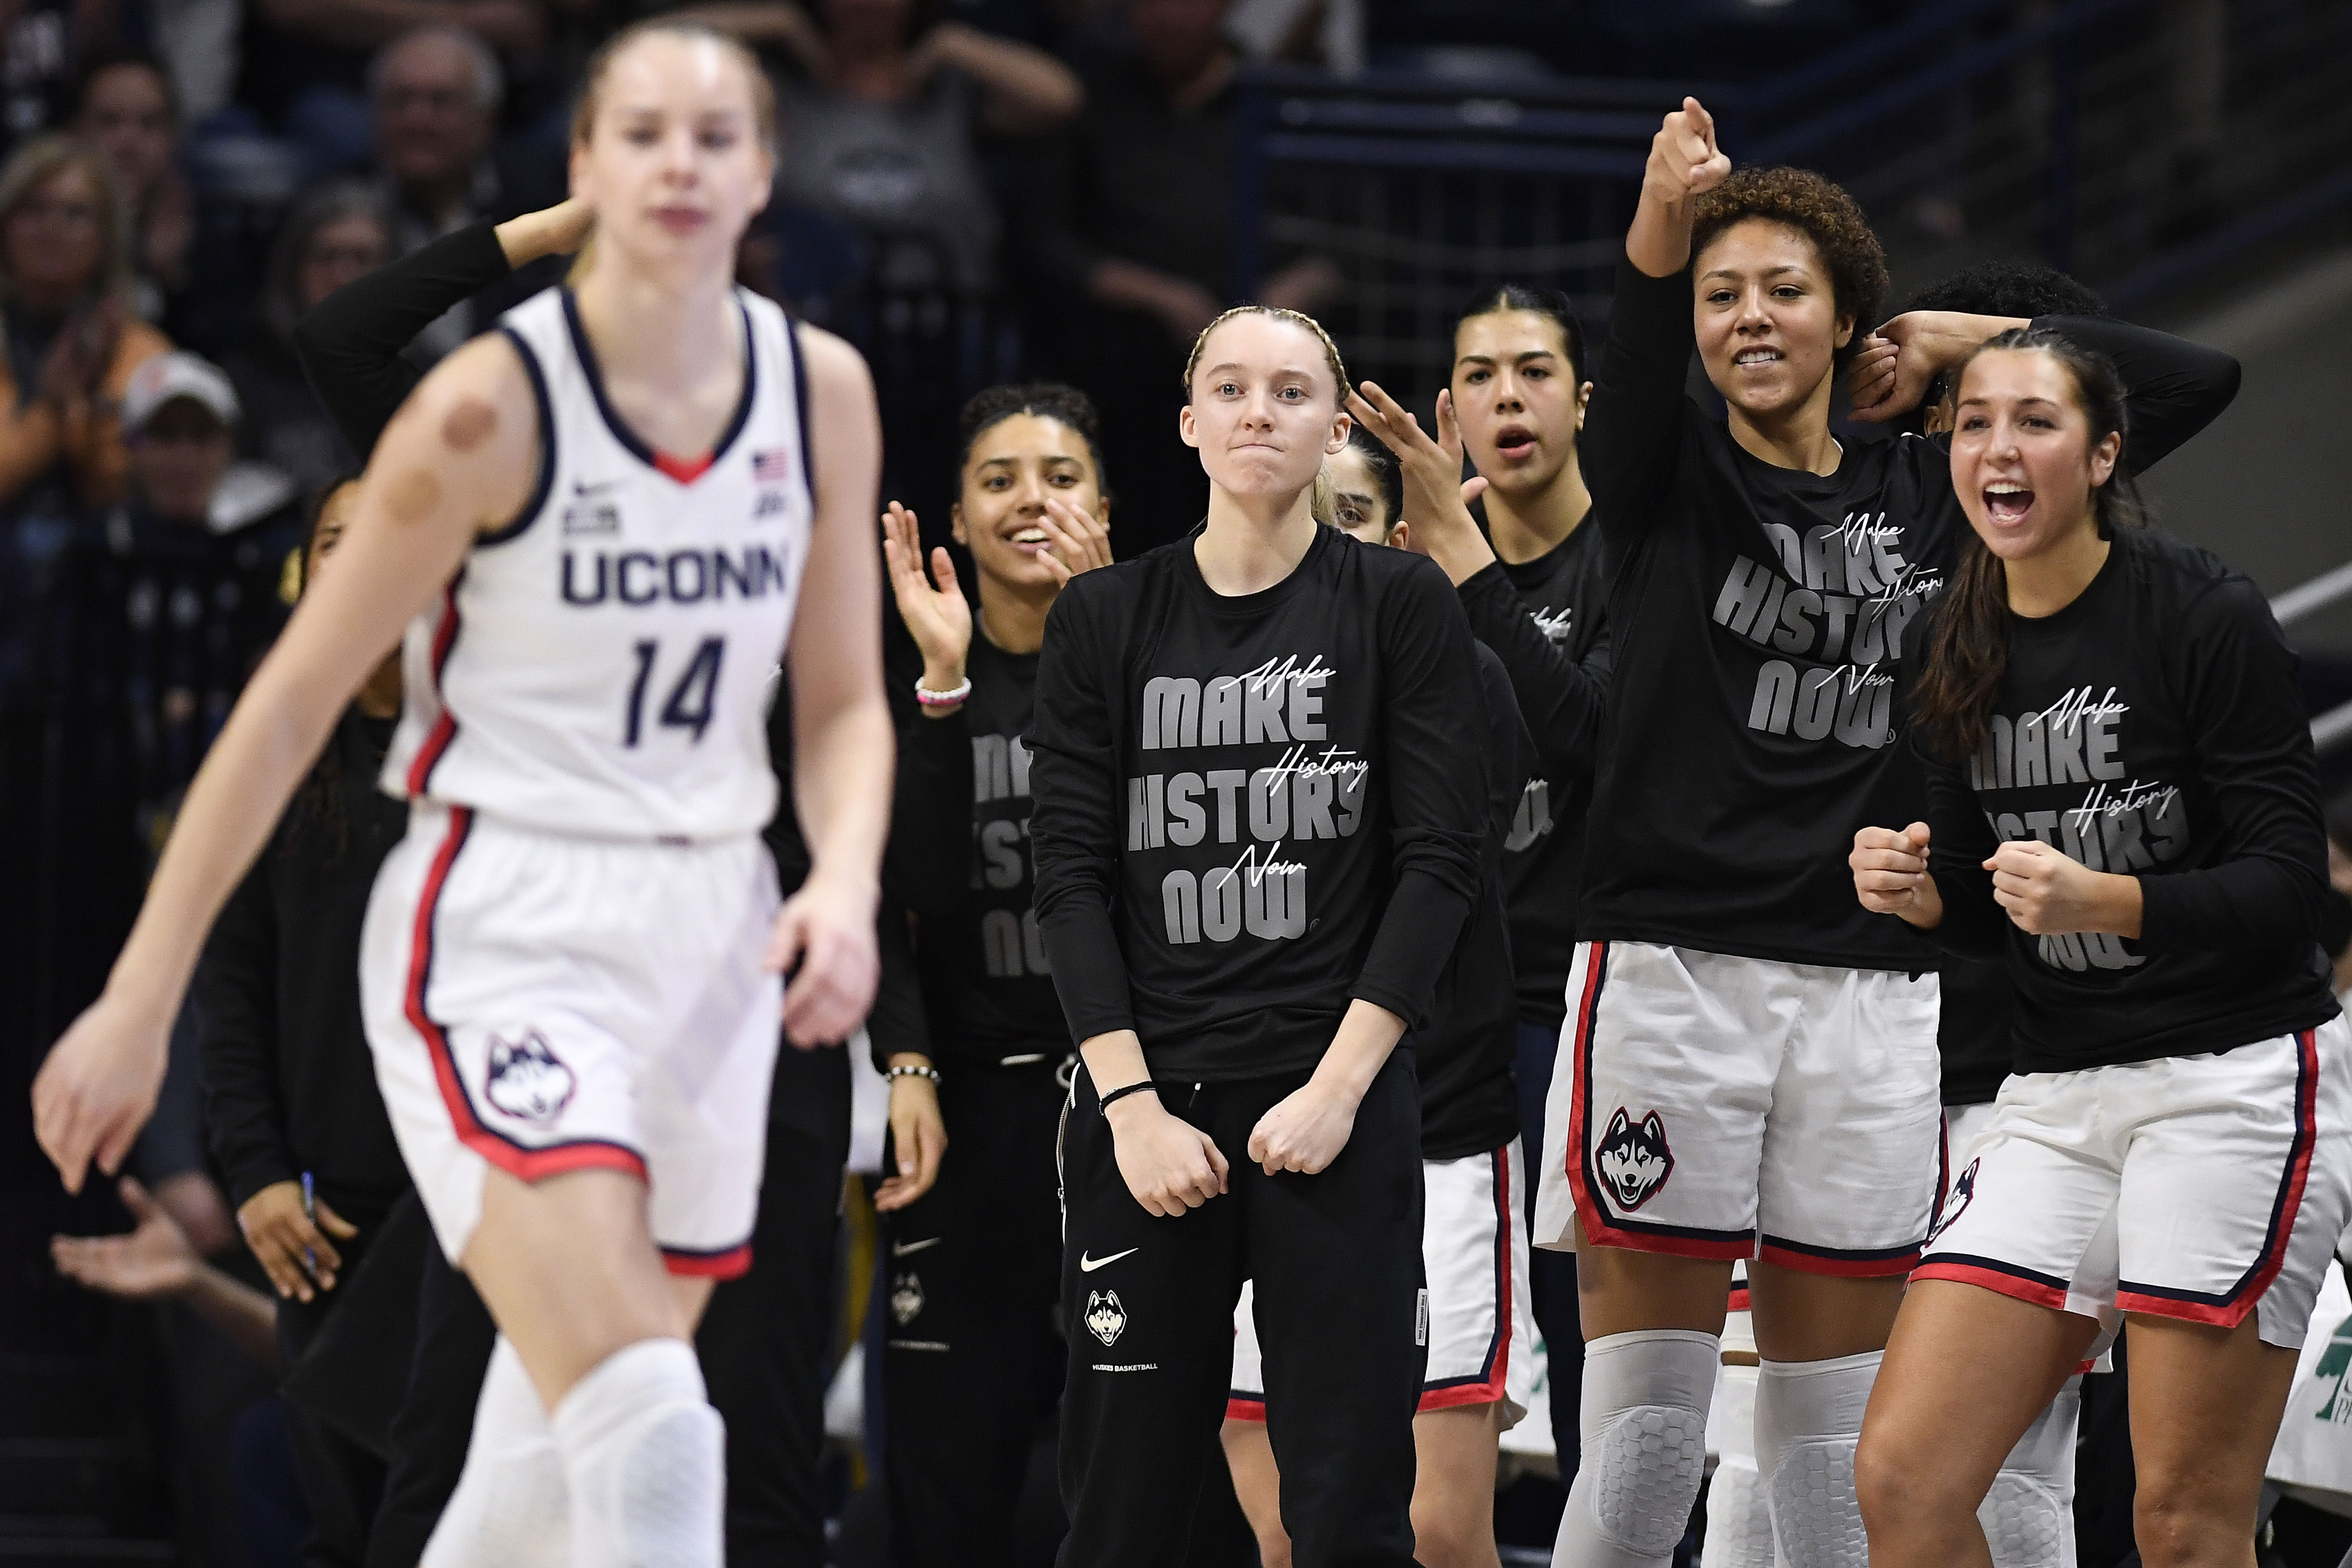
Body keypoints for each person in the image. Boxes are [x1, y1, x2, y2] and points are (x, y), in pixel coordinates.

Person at [29, 22, 894, 1568]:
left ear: (766, 170)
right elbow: (289, 703)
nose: (680, 164)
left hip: (710, 937)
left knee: (543, 1450)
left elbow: (838, 703)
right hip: (510, 925)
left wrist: (838, 880)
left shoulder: (818, 388)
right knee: (653, 1434)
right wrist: (137, 997)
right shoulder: (488, 406)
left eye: (716, 136)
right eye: (641, 133)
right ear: (583, 169)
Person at [1506, 100, 2238, 1568]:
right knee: (1649, 1443)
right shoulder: (1666, 473)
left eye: (1786, 290)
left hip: (1873, 998)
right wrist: (1667, 219)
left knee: (1832, 1454)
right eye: (1724, 295)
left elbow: (2181, 384)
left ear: (1854, 321)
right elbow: (1641, 331)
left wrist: (1959, 337)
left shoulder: (1941, 492)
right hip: (1674, 978)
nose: (1748, 317)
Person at [1847, 328, 2349, 1568]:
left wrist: (2114, 902)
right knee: (1904, 1483)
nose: (1999, 449)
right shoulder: (1950, 637)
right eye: (1972, 423)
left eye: (2036, 420)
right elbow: (1978, 896)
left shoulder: (2204, 611)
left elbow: (2293, 889)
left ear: (2104, 452)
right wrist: (1918, 897)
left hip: (2231, 1083)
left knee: (2181, 1522)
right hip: (2057, 1092)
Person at [1026, 303, 1487, 1567]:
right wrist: (1129, 1110)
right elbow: (1067, 883)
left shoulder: (1400, 605)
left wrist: (1340, 1093)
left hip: (1334, 1114)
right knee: (1122, 1510)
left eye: (1289, 393)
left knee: (1346, 1510)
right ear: (1186, 425)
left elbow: (1441, 865)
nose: (1256, 413)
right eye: (1228, 389)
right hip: (1147, 1114)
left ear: (1334, 425)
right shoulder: (1103, 620)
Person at [1219, 422, 1539, 1568]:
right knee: (1278, 1534)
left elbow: (1442, 875)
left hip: (1434, 1133)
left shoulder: (1465, 675)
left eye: (1348, 514)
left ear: (1400, 539)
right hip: (1252, 1125)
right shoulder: (1203, 679)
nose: (1321, 538)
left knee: (1439, 1527)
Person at [1347, 281, 1611, 1473]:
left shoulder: (1636, 556)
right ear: (1447, 405)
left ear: (1584, 399)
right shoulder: (1403, 573)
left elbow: (1586, 745)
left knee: (1593, 1339)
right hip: (1443, 1011)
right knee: (1429, 1353)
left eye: (1536, 370)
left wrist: (1467, 572)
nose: (1509, 396)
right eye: (1482, 375)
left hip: (1580, 1003)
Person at [871, 380, 1114, 1565]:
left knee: (1130, 1462)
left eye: (1060, 478)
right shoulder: (917, 683)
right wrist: (944, 689)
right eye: (999, 481)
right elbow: (902, 891)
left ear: (1105, 509)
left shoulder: (1157, 660)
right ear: (957, 522)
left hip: (1125, 1115)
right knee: (946, 1470)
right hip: (966, 1110)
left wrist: (1104, 631)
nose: (1032, 501)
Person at [199, 478, 417, 1568]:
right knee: (345, 1530)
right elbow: (227, 990)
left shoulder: (499, 749)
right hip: (328, 1221)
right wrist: (256, 1171)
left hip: (478, 1214)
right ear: (304, 574)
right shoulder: (271, 755)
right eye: (339, 539)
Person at [1020, 0, 1339, 555]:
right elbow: (1045, 246)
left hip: (1264, 362)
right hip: (1117, 367)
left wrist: (1269, 314)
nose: (1167, 17)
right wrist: (1163, 299)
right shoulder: (1091, 98)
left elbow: (1342, 245)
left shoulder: (1278, 99)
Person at [0, 133, 169, 515]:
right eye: (33, 210)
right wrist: (50, 409)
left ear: (106, 237)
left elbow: (137, 496)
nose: (52, 228)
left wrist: (90, 408)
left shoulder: (141, 352)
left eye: (76, 214)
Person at [368, 24, 561, 359]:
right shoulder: (340, 214)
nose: (417, 120)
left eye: (440, 102)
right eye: (401, 100)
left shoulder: (540, 207)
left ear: (485, 119)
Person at [225, 182, 396, 497]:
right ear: (295, 270)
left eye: (361, 258)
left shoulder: (432, 378)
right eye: (329, 257)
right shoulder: (248, 382)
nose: (344, 275)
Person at [72, 52, 196, 330]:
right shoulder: (38, 225)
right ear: (74, 130)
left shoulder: (204, 235)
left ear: (173, 137)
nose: (129, 142)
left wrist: (172, 275)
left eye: (150, 123)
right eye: (109, 122)